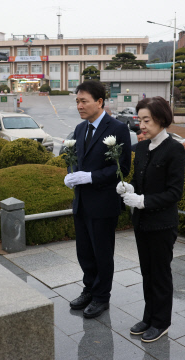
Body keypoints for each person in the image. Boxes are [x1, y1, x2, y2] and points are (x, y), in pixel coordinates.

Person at [116, 96, 185, 343]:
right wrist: (129, 187)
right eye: (140, 120)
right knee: (147, 272)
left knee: (160, 273)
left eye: (146, 120)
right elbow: (141, 181)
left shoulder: (174, 149)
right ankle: (148, 316)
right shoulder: (142, 147)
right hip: (142, 223)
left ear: (160, 118)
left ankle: (161, 321)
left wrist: (143, 201)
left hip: (162, 224)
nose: (141, 126)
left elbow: (174, 192)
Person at [64, 80, 131, 319]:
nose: (79, 106)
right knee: (84, 251)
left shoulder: (118, 129)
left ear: (99, 102)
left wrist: (91, 177)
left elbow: (123, 168)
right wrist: (72, 174)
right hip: (81, 202)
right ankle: (89, 289)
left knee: (102, 253)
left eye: (84, 101)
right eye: (77, 101)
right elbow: (76, 160)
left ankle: (102, 297)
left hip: (103, 204)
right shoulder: (81, 128)